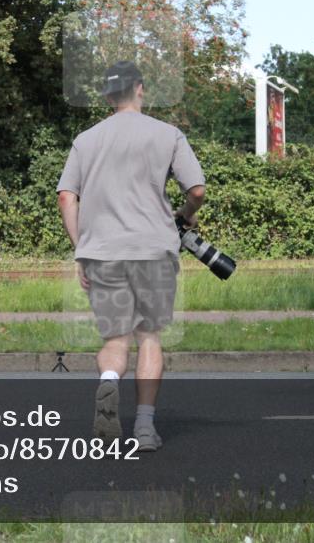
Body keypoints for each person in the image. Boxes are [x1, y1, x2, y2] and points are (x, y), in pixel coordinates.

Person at [56, 61, 206, 451]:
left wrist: (81, 249)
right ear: (139, 88)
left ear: (107, 96)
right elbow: (197, 191)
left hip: (102, 254)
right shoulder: (168, 134)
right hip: (153, 251)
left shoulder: (86, 140)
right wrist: (184, 219)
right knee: (149, 337)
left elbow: (66, 197)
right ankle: (143, 428)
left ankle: (108, 382)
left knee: (115, 338)